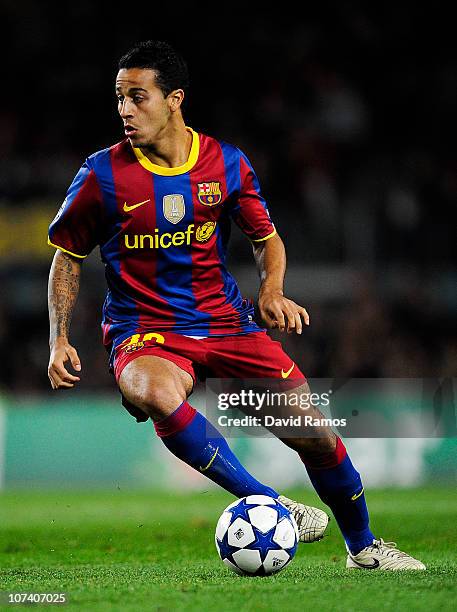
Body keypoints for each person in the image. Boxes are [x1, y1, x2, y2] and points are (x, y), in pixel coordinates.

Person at [47, 40, 424, 570]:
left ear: (174, 99)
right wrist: (59, 336)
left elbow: (265, 238)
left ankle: (363, 549)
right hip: (145, 328)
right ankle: (268, 502)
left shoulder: (226, 163)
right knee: (153, 391)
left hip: (227, 325)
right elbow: (66, 258)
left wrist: (271, 290)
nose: (125, 111)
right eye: (119, 99)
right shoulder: (100, 175)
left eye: (138, 97)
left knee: (314, 435)